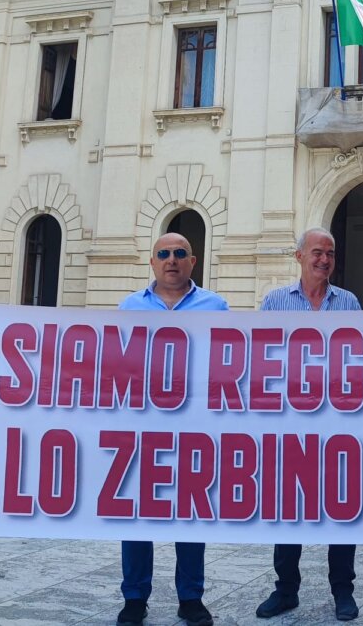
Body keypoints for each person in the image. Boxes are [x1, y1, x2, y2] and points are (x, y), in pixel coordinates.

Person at [115, 233, 226, 626]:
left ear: (193, 261)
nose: (172, 260)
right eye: (164, 254)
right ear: (152, 262)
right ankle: (134, 598)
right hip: (142, 430)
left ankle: (191, 598)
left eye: (180, 253)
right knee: (137, 516)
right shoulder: (128, 307)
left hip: (194, 431)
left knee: (191, 515)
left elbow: (227, 367)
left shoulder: (217, 307)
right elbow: (115, 368)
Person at [255, 227, 361, 622]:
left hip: (337, 426)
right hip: (290, 425)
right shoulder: (275, 301)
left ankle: (343, 592)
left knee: (342, 510)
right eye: (317, 252)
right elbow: (261, 359)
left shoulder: (348, 303)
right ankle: (285, 590)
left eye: (330, 253)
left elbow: (361, 362)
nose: (324, 260)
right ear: (299, 256)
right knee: (289, 509)